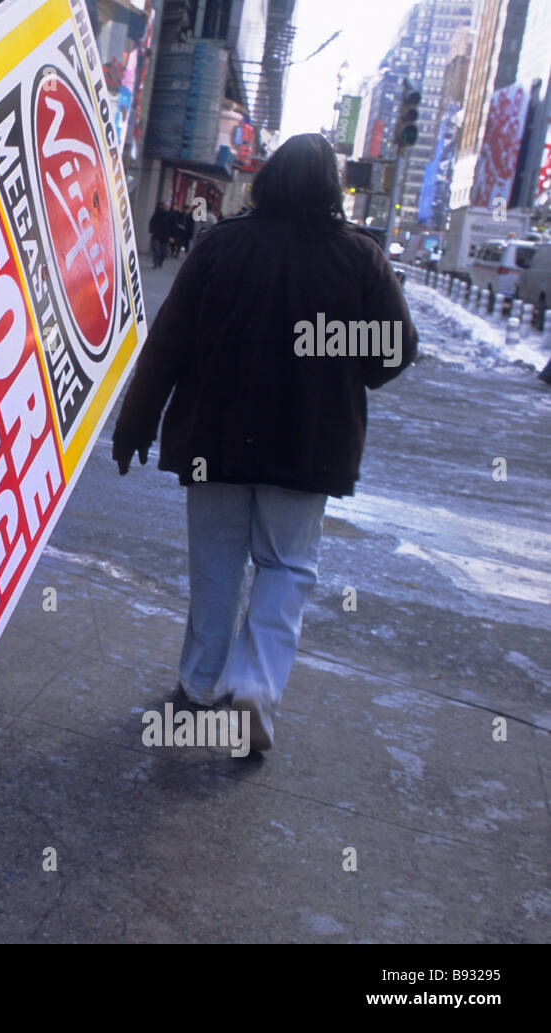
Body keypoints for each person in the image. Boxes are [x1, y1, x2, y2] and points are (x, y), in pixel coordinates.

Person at [111, 133, 417, 753]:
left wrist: (135, 424)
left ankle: (199, 689)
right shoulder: (359, 257)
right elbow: (393, 355)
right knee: (286, 568)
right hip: (310, 444)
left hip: (214, 439)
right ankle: (254, 690)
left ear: (267, 181)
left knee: (216, 565)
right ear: (332, 188)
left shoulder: (219, 244)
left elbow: (168, 344)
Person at [148, 201, 173, 269]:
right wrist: (152, 230)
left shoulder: (171, 215)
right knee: (157, 250)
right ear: (163, 206)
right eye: (166, 206)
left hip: (165, 237)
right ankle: (155, 263)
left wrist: (172, 236)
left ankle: (160, 262)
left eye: (168, 206)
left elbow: (173, 226)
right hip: (157, 235)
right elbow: (152, 221)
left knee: (164, 252)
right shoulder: (158, 213)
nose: (167, 207)